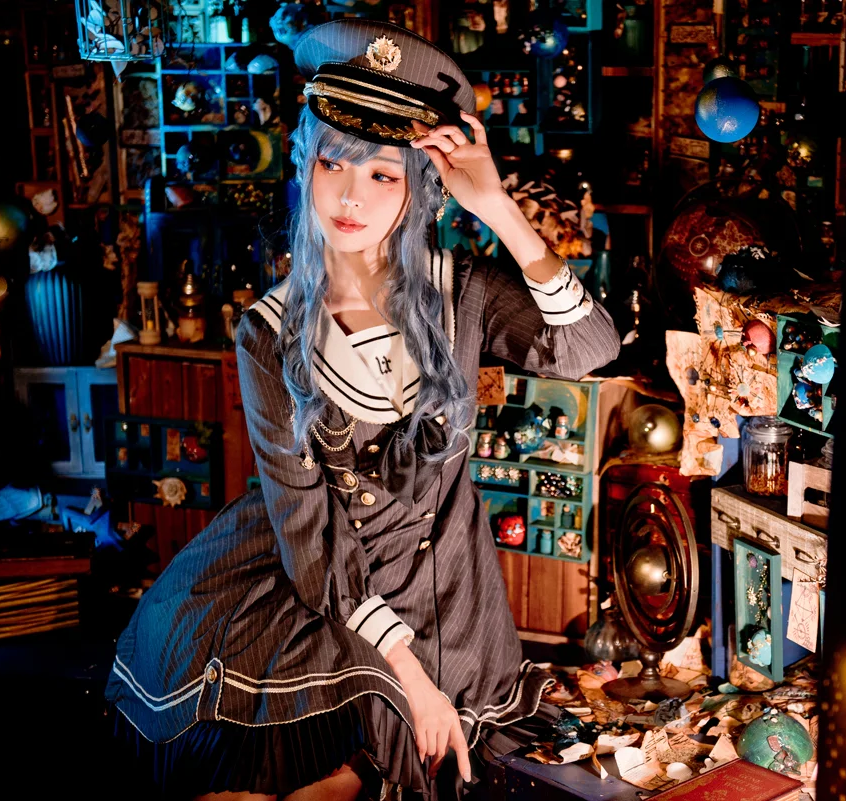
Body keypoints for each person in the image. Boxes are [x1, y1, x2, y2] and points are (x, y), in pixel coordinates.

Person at [106, 18, 621, 801]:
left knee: (356, 777)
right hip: (307, 586)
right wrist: (405, 671)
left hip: (445, 596)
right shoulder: (268, 332)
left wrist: (498, 208)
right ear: (304, 165)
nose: (351, 196)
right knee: (248, 779)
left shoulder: (465, 292)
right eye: (332, 163)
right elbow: (310, 533)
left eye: (383, 173)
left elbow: (590, 347)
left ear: (421, 188)